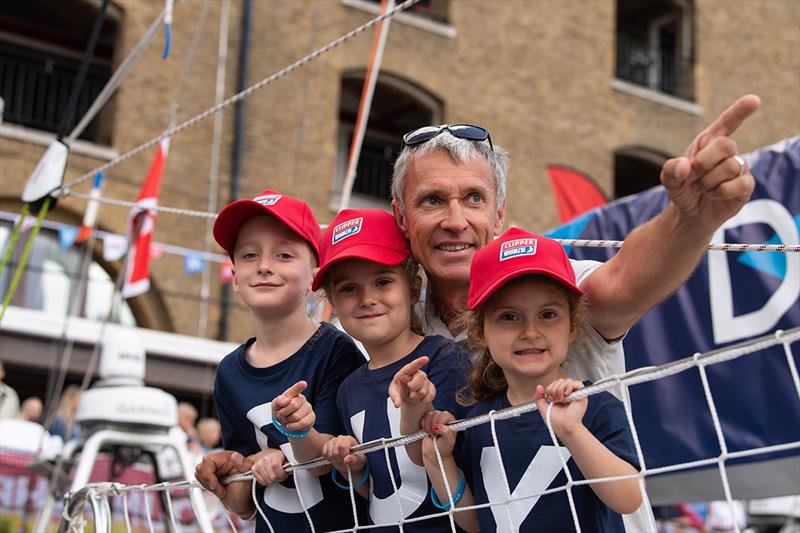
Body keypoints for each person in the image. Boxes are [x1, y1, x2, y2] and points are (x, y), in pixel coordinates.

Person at [390, 96, 761, 381]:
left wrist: (691, 220)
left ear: (499, 213)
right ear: (401, 217)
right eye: (432, 200)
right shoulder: (390, 319)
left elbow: (624, 280)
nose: (455, 221)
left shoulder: (557, 285)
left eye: (474, 198)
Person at [411, 228, 642, 532]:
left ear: (572, 325)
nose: (530, 332)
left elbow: (628, 499)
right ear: (480, 332)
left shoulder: (596, 406)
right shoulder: (479, 419)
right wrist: (439, 462)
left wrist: (572, 432)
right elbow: (473, 522)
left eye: (547, 315)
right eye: (509, 317)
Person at [193, 189, 365, 532]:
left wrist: (283, 452)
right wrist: (225, 473)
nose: (265, 266)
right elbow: (243, 501)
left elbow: (327, 459)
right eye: (250, 254)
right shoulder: (229, 372)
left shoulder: (336, 352)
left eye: (284, 255)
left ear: (315, 274)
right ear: (235, 276)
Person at [300, 208, 470, 531]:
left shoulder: (444, 359)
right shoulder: (348, 389)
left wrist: (416, 412)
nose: (367, 298)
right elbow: (376, 489)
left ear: (412, 287)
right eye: (350, 288)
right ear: (332, 299)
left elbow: (440, 461)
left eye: (382, 281)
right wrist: (353, 467)